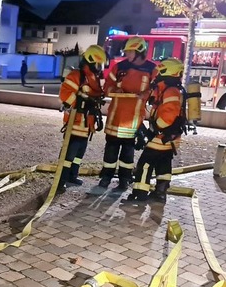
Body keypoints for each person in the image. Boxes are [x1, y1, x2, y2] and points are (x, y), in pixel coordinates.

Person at [98, 36, 157, 191]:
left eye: (130, 52)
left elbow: (157, 89)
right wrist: (114, 90)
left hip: (133, 120)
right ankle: (106, 177)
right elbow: (107, 86)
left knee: (128, 154)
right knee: (110, 151)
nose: (127, 55)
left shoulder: (152, 69)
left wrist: (148, 93)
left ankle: (124, 179)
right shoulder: (120, 67)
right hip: (115, 118)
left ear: (139, 51)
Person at [127, 59, 186, 203]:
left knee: (145, 164)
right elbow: (154, 97)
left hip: (162, 136)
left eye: (160, 71)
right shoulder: (167, 88)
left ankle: (140, 194)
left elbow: (168, 117)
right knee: (163, 165)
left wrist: (153, 132)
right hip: (169, 138)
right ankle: (160, 193)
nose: (157, 74)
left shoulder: (170, 91)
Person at [57, 45, 107, 193]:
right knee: (68, 154)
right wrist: (82, 103)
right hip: (75, 123)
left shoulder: (94, 78)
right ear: (90, 61)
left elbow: (97, 95)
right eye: (98, 64)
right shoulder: (77, 75)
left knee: (79, 154)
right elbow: (65, 95)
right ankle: (61, 181)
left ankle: (73, 175)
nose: (99, 68)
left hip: (87, 125)